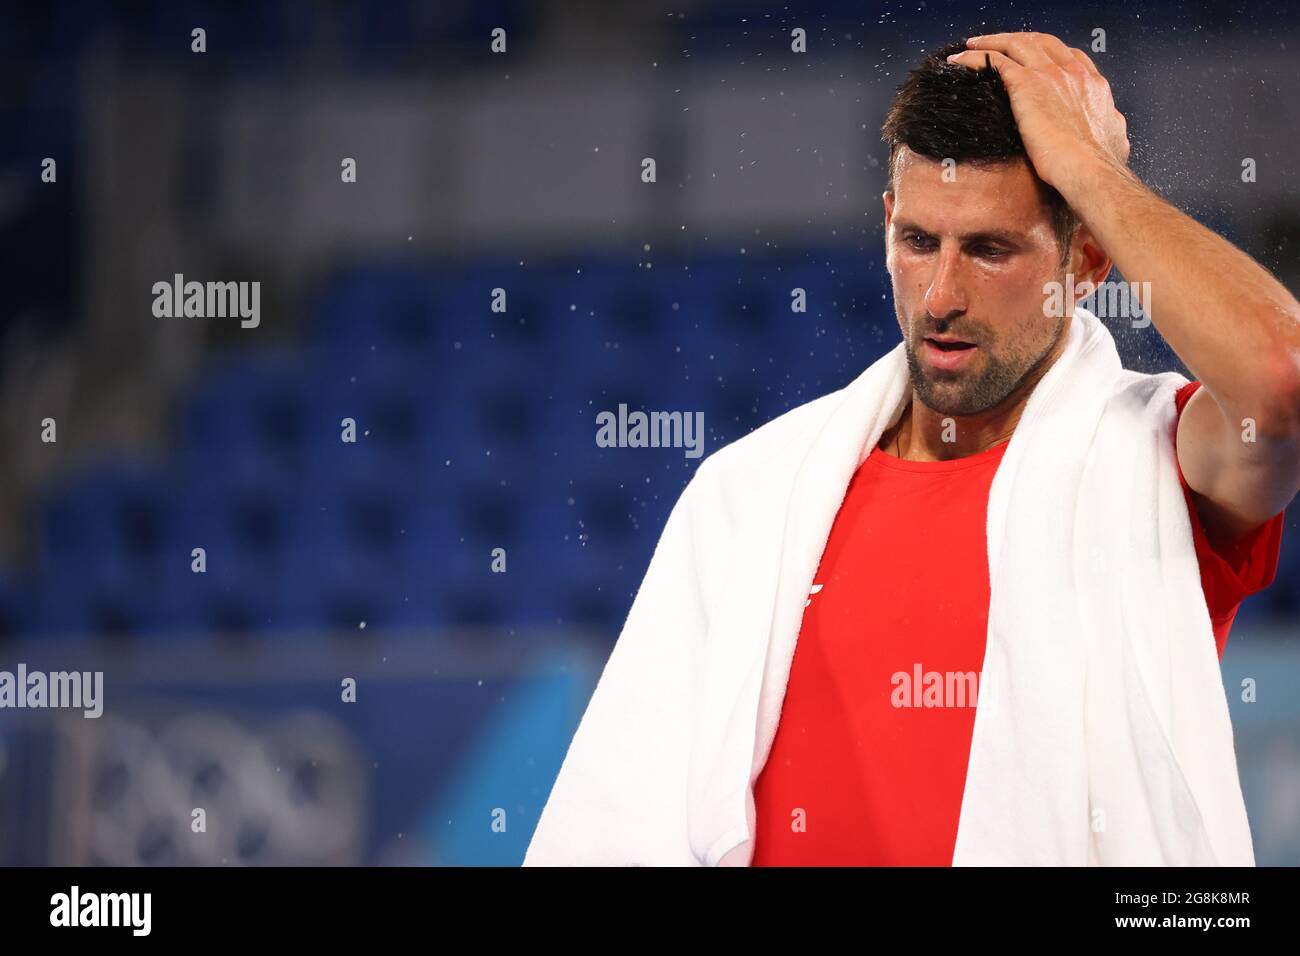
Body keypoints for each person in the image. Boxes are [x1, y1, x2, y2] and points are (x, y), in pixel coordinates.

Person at [524, 33, 1299, 867]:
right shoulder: (750, 495)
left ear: (1086, 259)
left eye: (990, 250)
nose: (941, 296)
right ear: (887, 223)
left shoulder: (1156, 465)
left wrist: (1090, 170)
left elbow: (1279, 378)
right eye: (920, 241)